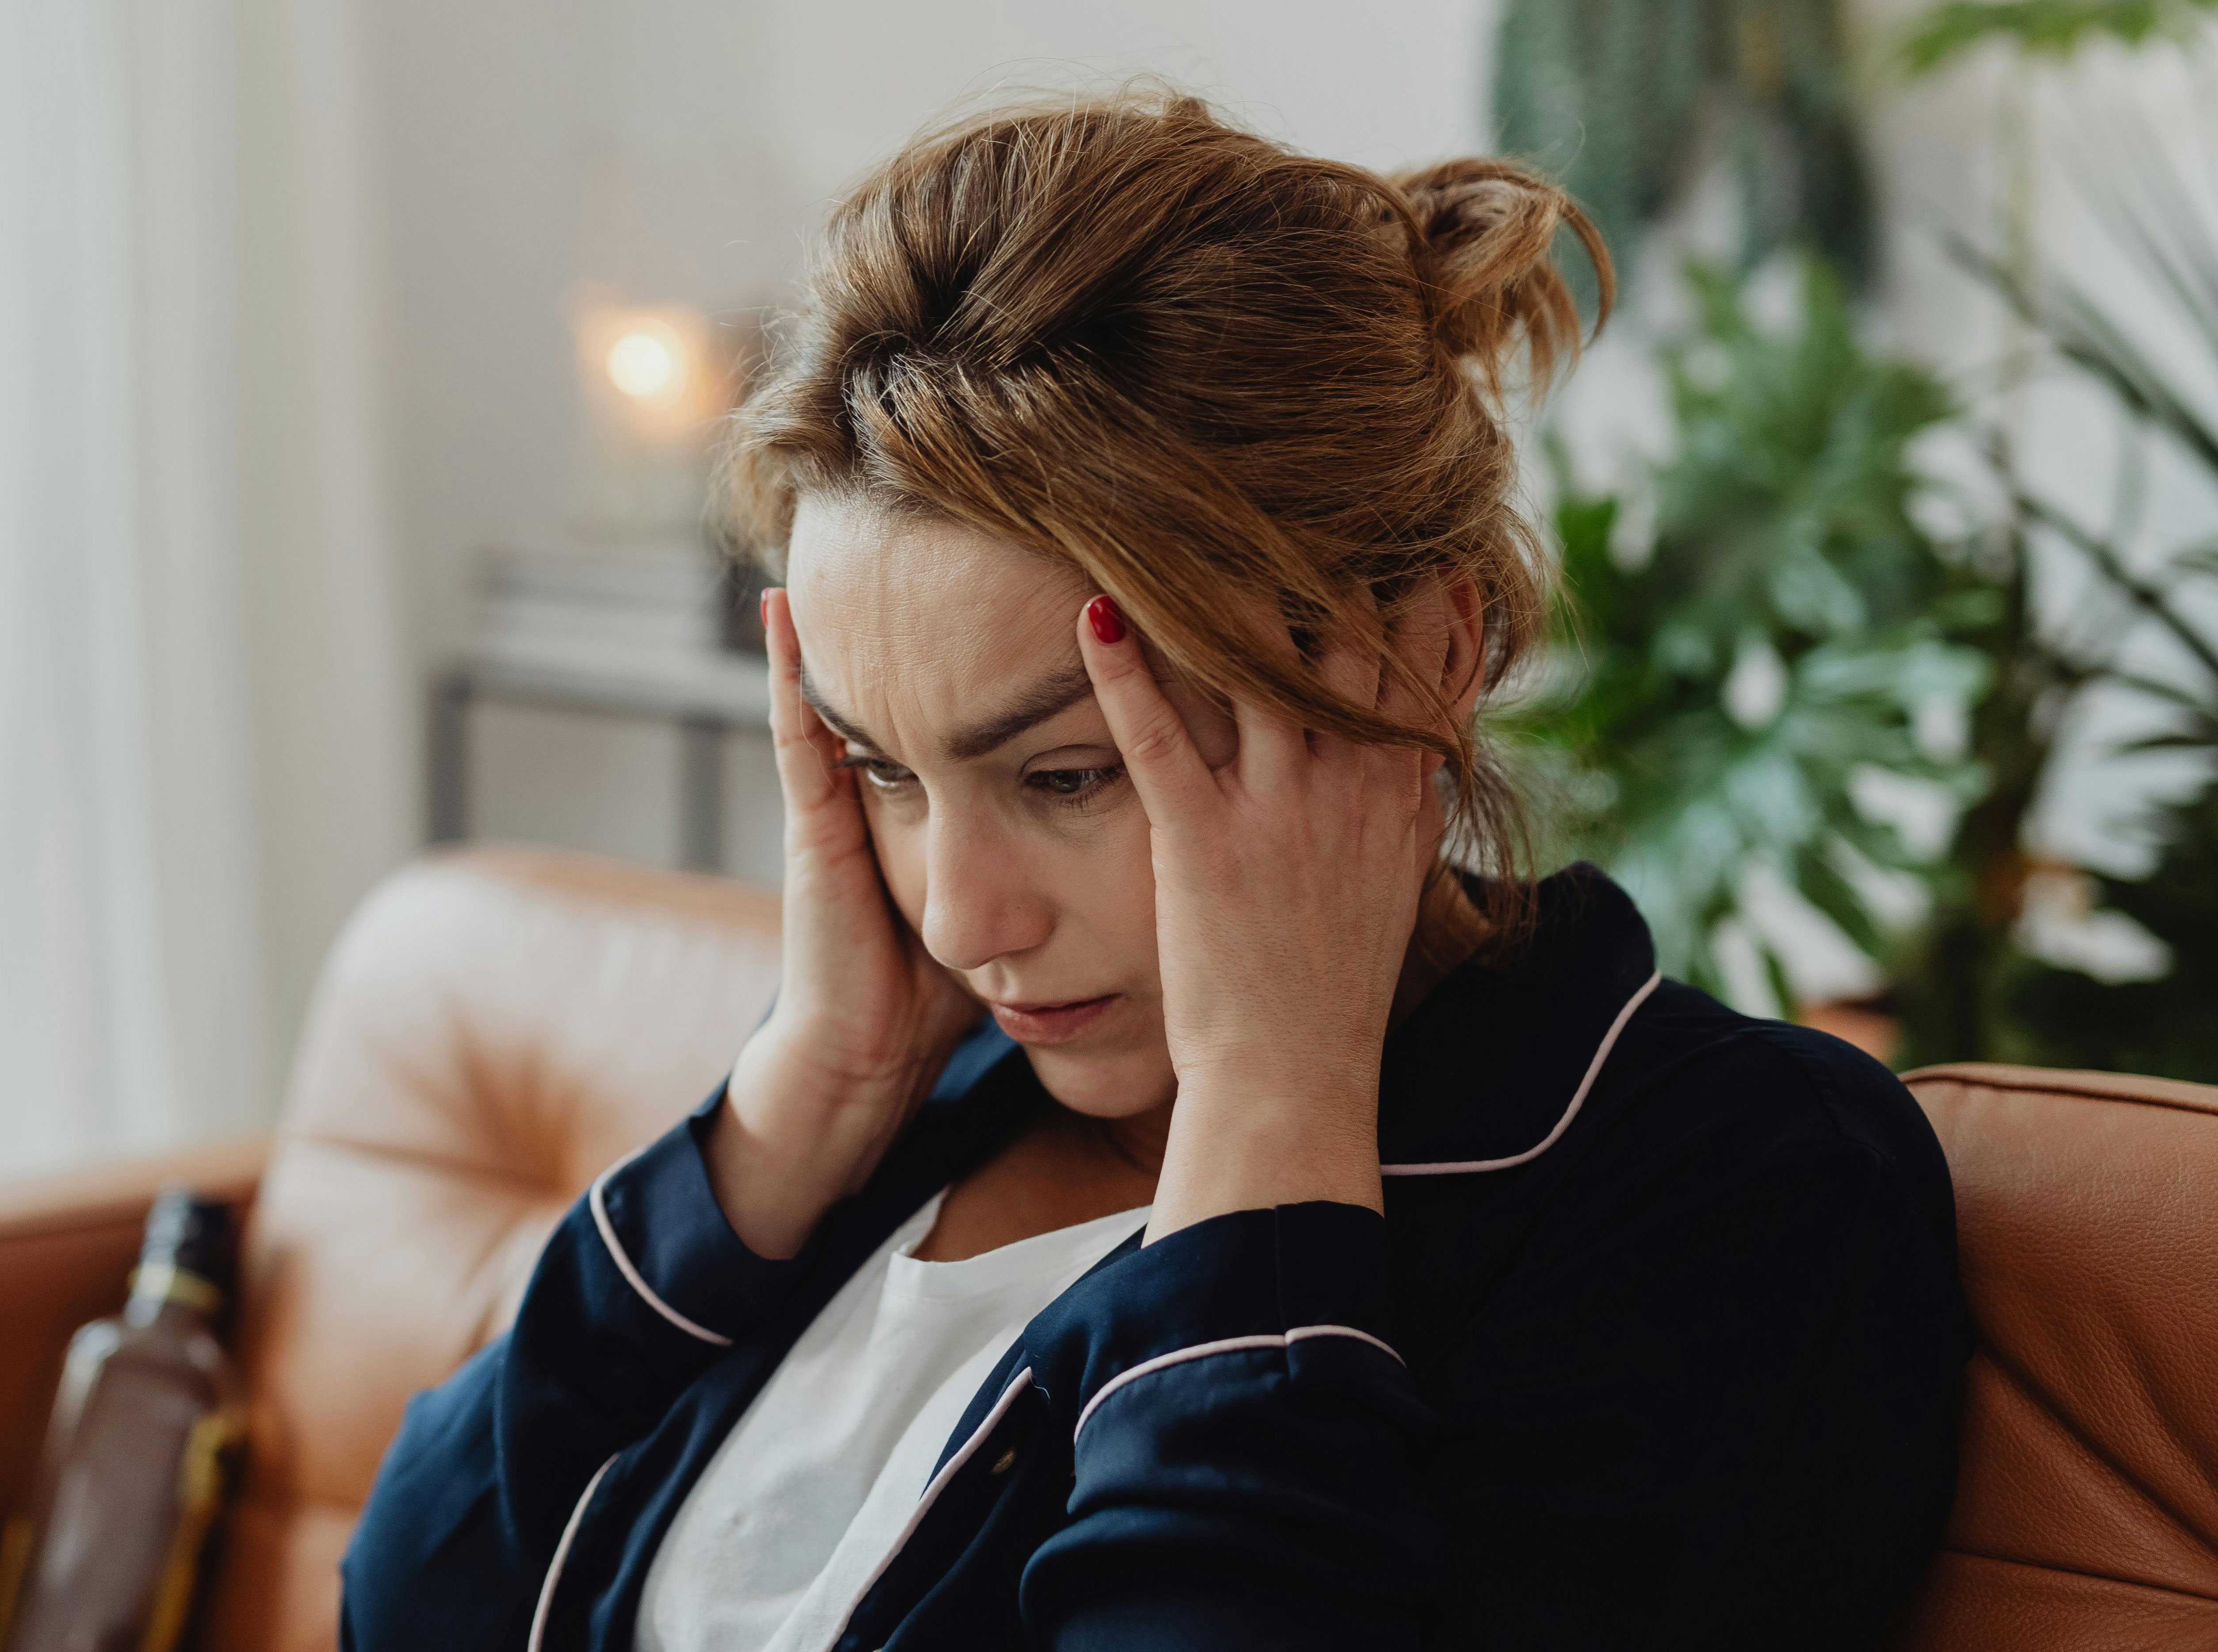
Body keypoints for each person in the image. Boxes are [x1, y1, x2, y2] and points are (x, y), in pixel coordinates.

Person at [341, 87, 1968, 1652]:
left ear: (1425, 656)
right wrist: (796, 1102)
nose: (963, 919)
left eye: (1068, 773)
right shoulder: (914, 1109)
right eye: (884, 768)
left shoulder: (1735, 1191)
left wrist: (1273, 1102)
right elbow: (407, 1603)